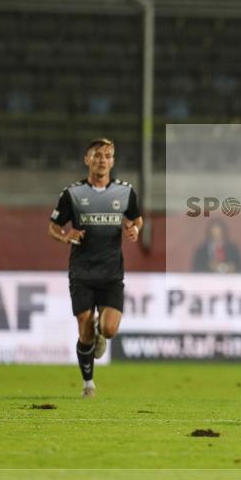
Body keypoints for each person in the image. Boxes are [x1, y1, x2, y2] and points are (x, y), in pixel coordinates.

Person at [47, 138, 143, 398]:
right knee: (85, 330)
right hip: (82, 272)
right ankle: (88, 383)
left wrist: (134, 229)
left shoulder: (125, 192)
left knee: (110, 330)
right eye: (97, 155)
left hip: (111, 272)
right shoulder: (73, 194)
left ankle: (102, 330)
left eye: (108, 155)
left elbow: (137, 218)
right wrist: (66, 236)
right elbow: (53, 227)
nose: (103, 160)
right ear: (87, 160)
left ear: (113, 161)